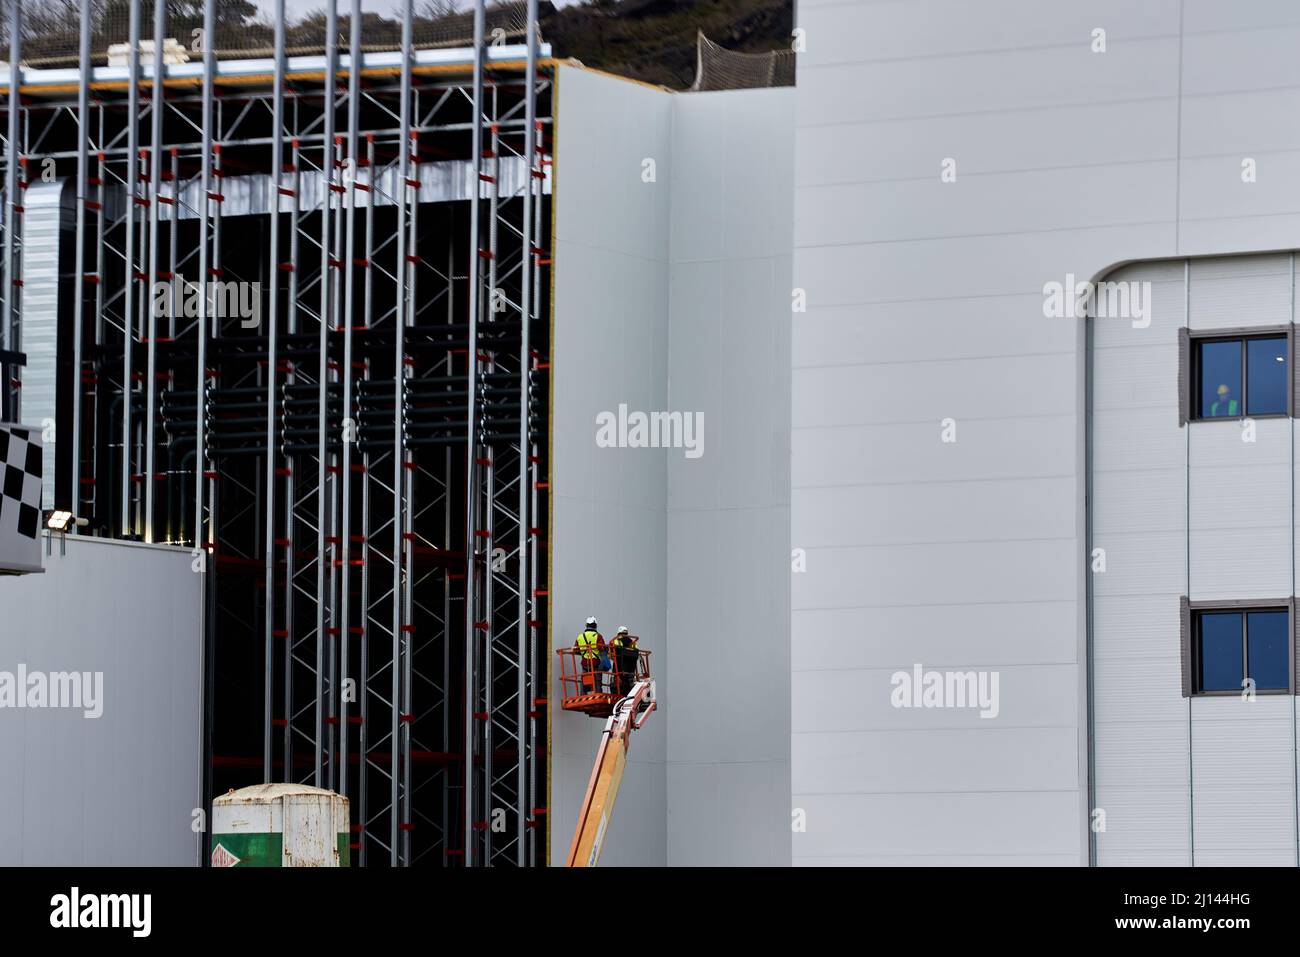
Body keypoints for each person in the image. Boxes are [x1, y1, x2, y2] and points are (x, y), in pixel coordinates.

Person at [574, 617, 604, 693]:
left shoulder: (580, 636)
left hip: (585, 663)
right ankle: (598, 693)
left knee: (584, 679)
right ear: (595, 626)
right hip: (595, 662)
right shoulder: (598, 636)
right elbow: (602, 648)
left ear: (586, 625)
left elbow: (575, 650)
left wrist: (583, 652)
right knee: (597, 680)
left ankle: (583, 694)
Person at [610, 626, 640, 696]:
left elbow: (611, 655)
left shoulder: (615, 641)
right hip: (631, 670)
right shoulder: (633, 643)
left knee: (618, 687)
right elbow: (636, 654)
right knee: (628, 688)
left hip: (619, 668)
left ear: (618, 633)